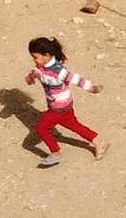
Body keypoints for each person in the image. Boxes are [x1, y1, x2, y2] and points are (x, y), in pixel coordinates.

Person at [26, 36, 100, 166]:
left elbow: (76, 79)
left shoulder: (59, 71)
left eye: (36, 57)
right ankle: (99, 141)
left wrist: (91, 88)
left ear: (47, 55)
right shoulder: (43, 68)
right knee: (73, 125)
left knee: (42, 128)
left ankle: (55, 152)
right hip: (65, 105)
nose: (34, 60)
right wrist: (32, 77)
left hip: (58, 108)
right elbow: (36, 76)